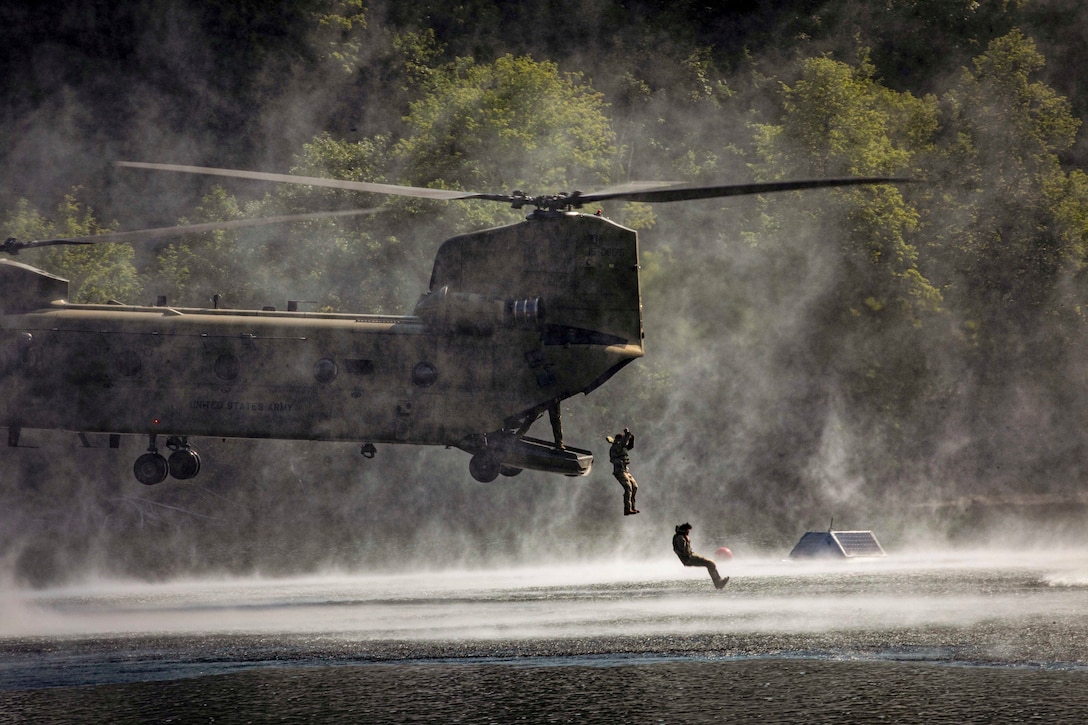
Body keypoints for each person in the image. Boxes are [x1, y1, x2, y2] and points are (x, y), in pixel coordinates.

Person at [672, 523, 728, 589]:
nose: (688, 533)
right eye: (688, 531)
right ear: (685, 530)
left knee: (711, 563)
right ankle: (718, 583)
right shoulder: (680, 538)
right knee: (710, 564)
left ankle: (718, 582)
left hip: (690, 556)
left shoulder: (680, 536)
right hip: (688, 559)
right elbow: (683, 551)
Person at [607, 427, 638, 515]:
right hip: (619, 471)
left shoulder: (622, 447)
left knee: (634, 487)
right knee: (628, 488)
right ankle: (627, 509)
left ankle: (632, 507)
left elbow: (630, 446)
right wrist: (627, 433)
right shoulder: (616, 447)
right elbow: (623, 443)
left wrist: (632, 439)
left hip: (625, 470)